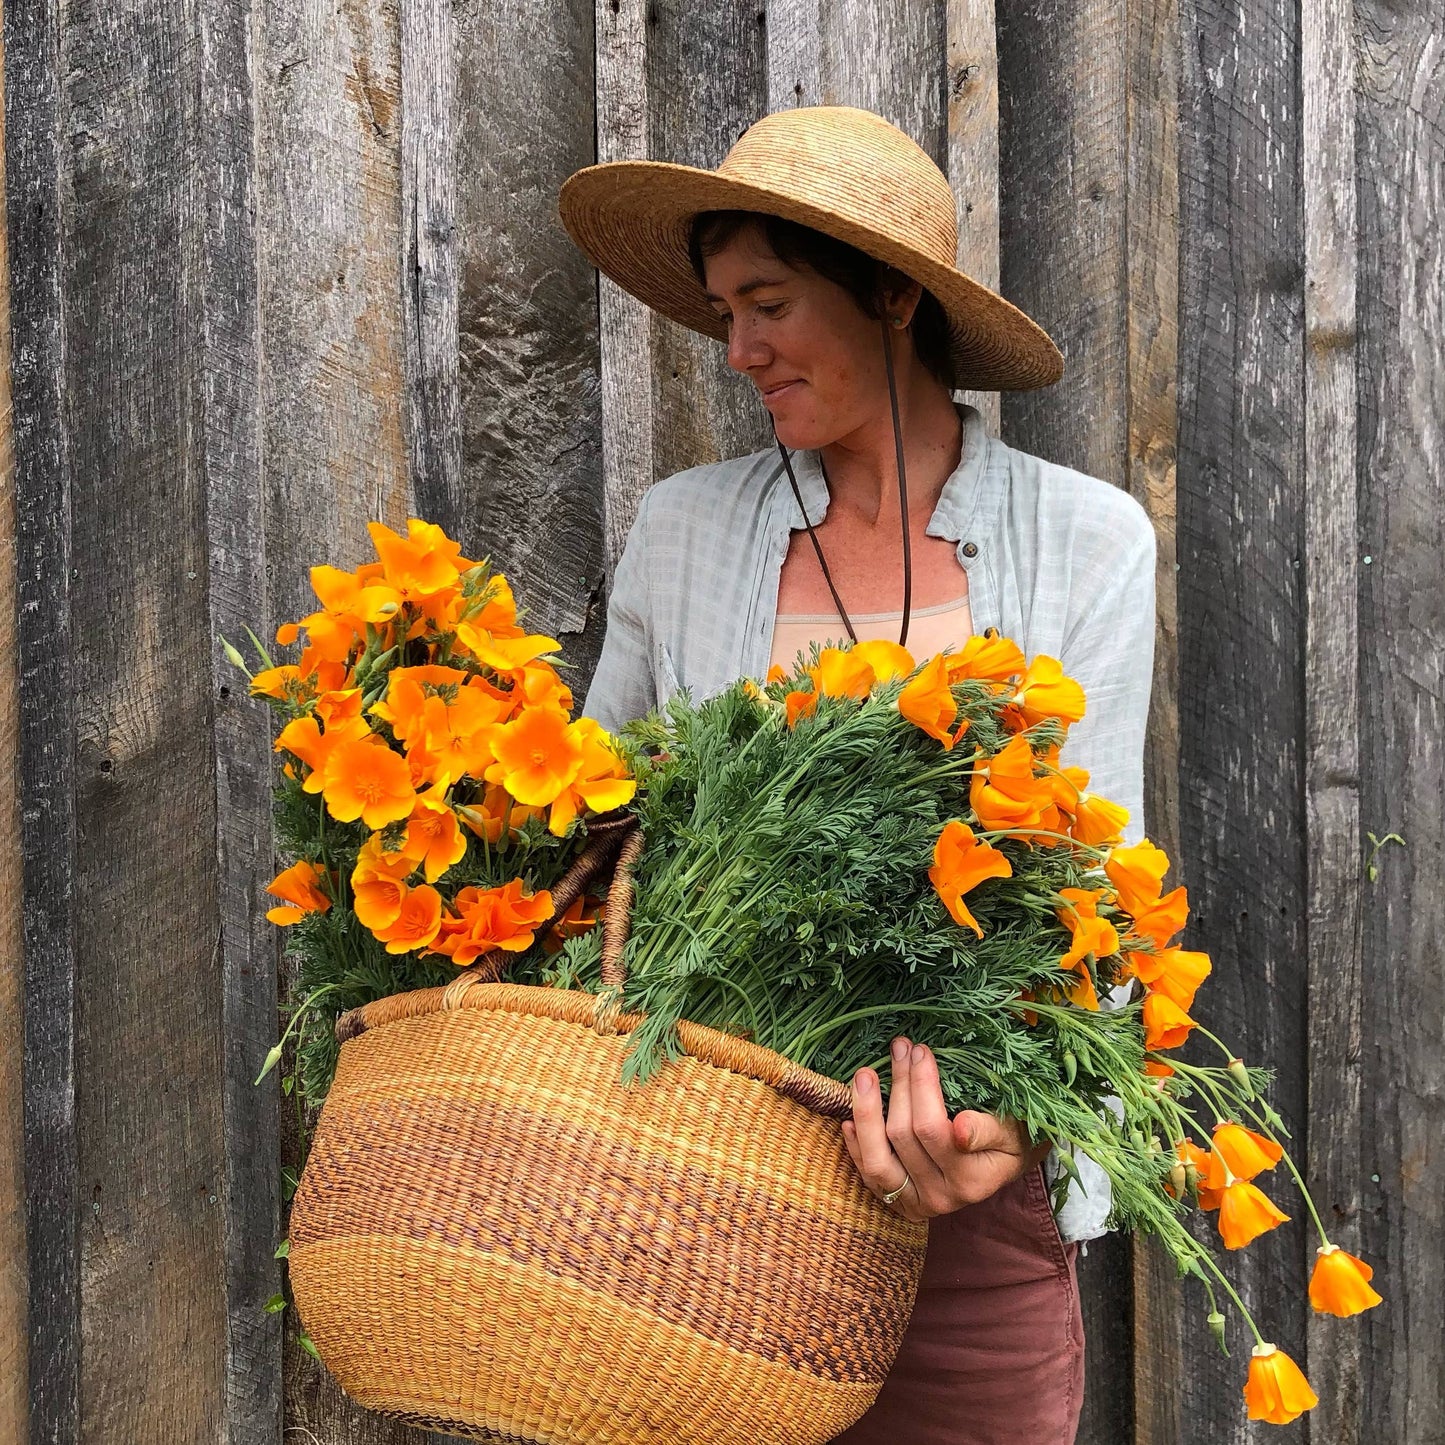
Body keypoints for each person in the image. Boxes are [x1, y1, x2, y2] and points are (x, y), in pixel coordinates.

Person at [557, 104, 1156, 1445]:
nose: (739, 350)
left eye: (768, 303)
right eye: (725, 313)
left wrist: (1017, 1127)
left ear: (893, 294)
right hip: (698, 1204)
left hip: (963, 1211)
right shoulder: (682, 531)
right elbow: (591, 848)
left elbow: (1102, 901)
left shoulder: (1086, 541)